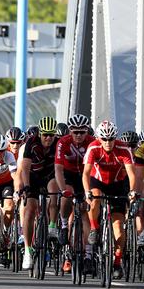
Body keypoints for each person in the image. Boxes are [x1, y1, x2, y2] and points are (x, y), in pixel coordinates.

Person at [83, 121, 137, 280]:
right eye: (104, 139)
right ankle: (94, 228)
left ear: (115, 137)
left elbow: (132, 175)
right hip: (97, 182)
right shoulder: (93, 147)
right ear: (99, 138)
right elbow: (86, 173)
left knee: (119, 227)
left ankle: (117, 263)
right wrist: (87, 192)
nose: (108, 142)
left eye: (111, 139)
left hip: (117, 184)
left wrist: (132, 191)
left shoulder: (123, 149)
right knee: (95, 197)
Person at [54, 114, 95, 272]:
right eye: (75, 132)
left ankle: (88, 255)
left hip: (85, 177)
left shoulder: (92, 142)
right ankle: (64, 224)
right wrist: (63, 189)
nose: (78, 135)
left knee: (85, 212)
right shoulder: (62, 142)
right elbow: (57, 169)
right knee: (66, 195)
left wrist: (90, 191)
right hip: (68, 175)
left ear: (87, 131)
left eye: (82, 132)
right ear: (70, 131)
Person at [18, 117, 60, 270]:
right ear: (40, 134)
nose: (48, 138)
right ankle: (28, 251)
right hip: (34, 177)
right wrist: (27, 187)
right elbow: (25, 168)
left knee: (54, 191)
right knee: (29, 210)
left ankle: (52, 226)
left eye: (51, 135)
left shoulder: (58, 143)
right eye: (45, 135)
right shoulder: (31, 142)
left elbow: (61, 167)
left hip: (50, 175)